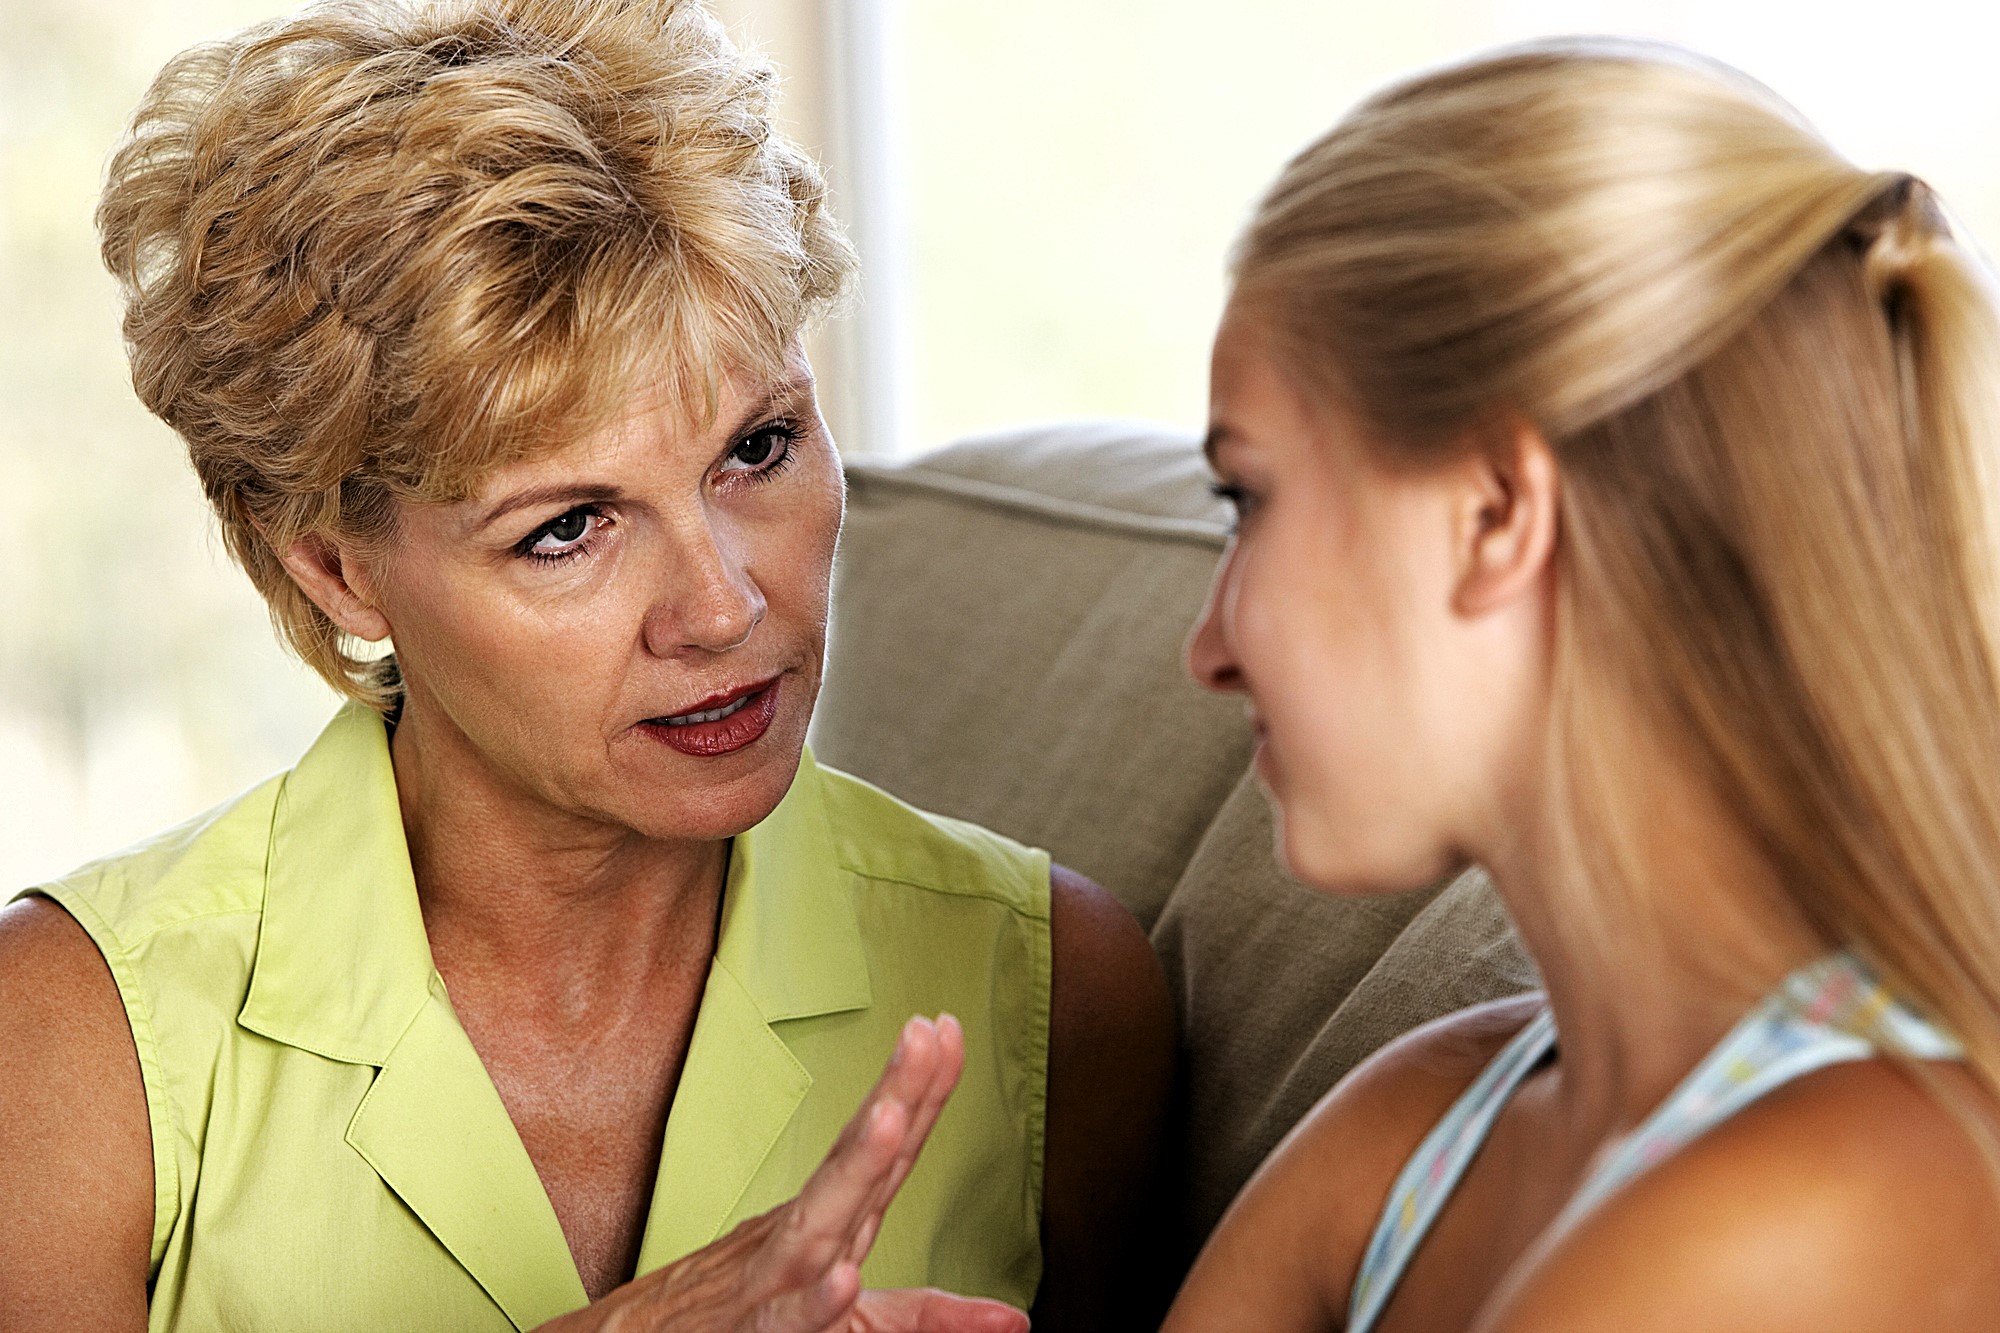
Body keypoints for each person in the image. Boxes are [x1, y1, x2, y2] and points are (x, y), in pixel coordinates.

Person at [0, 2, 1175, 1329]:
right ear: (336, 569)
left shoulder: (1059, 994)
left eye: (759, 449)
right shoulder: (66, 1037)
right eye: (569, 526)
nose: (724, 608)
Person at [1164, 39, 2000, 1331]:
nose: (1208, 647)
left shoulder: (1831, 1198)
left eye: (1248, 497)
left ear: (1497, 511)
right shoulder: (1415, 1132)